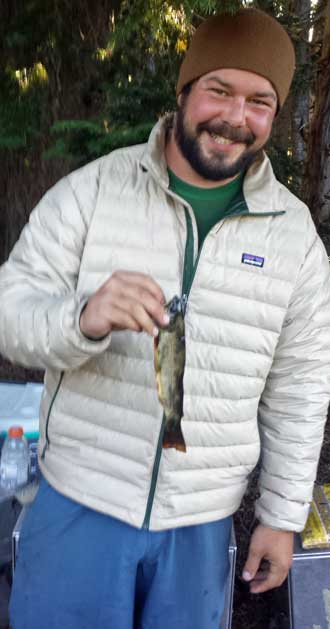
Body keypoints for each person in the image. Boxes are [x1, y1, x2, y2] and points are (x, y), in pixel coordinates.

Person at [1, 8, 330, 629]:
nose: (236, 117)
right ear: (183, 93)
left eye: (259, 100)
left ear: (275, 112)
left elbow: (301, 387)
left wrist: (283, 515)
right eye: (219, 90)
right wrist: (83, 318)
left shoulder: (295, 239)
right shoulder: (93, 191)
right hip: (79, 501)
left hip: (202, 522)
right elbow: (9, 313)